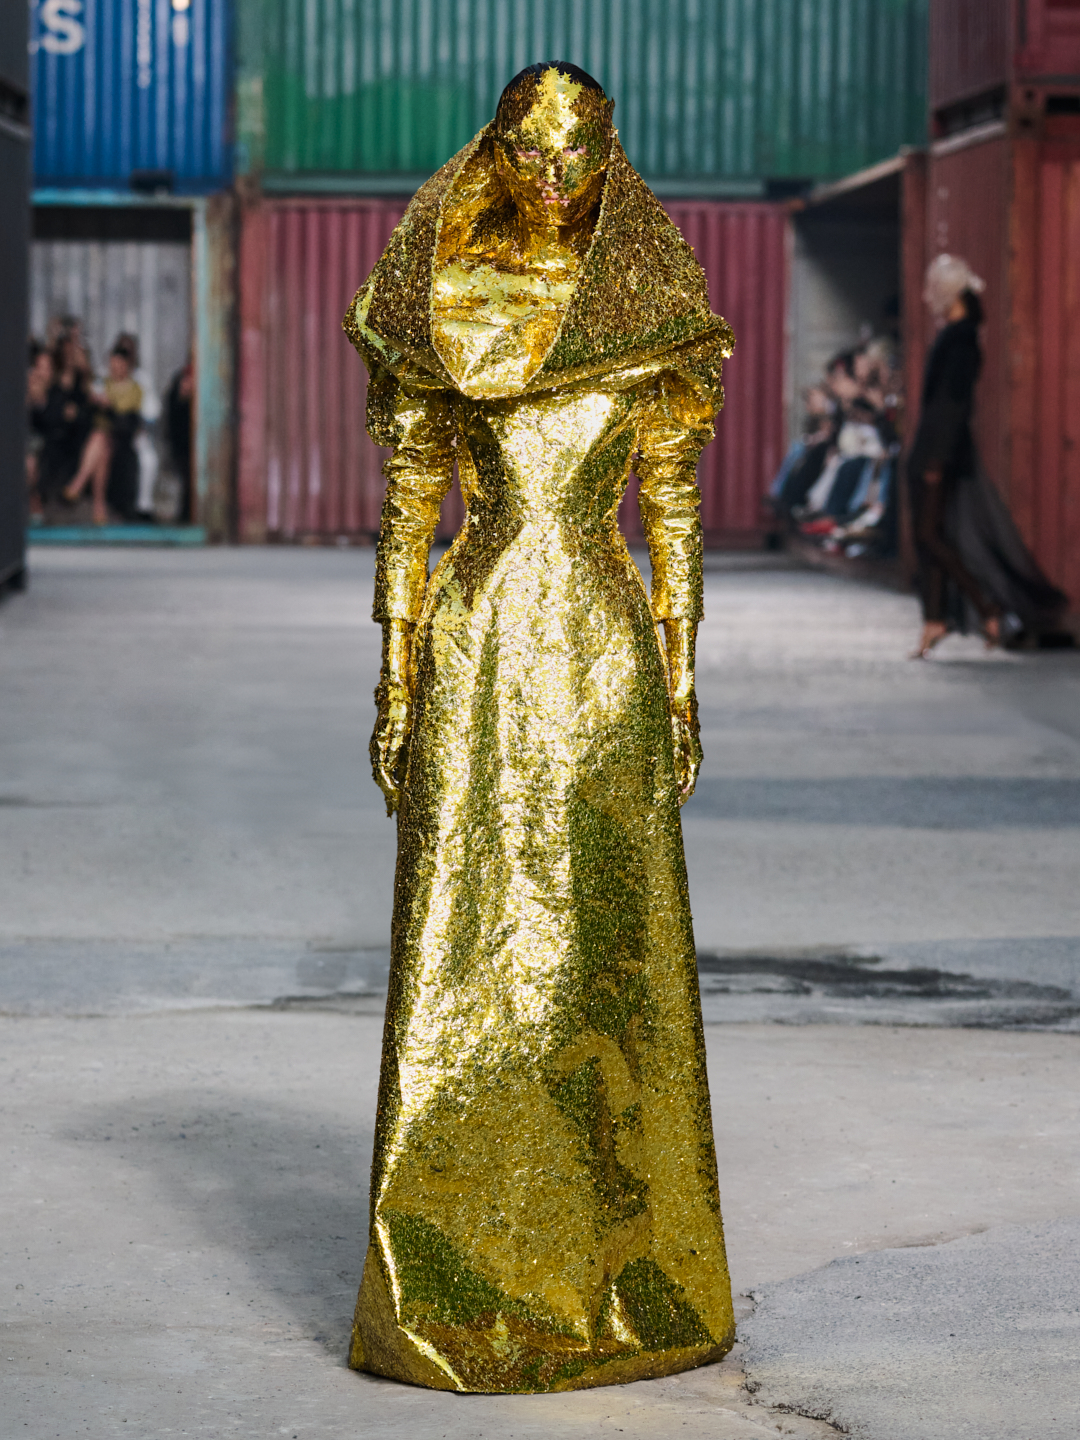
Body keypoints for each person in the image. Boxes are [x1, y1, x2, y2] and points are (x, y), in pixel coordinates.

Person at [344, 61, 735, 1393]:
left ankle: (632, 1277)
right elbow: (412, 501)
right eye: (532, 150)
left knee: (607, 962)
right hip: (479, 646)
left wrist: (680, 680)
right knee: (468, 953)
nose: (557, 177)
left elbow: (672, 505)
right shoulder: (442, 299)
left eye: (579, 155)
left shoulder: (650, 305)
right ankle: (451, 1279)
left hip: (609, 659)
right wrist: (395, 685)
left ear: (609, 156)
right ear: (498, 148)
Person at [909, 256, 1066, 657]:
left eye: (934, 289)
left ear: (950, 293)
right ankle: (935, 619)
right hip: (934, 447)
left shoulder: (961, 340)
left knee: (930, 535)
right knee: (931, 535)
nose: (928, 297)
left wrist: (936, 458)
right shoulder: (958, 335)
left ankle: (986, 608)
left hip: (938, 450)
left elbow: (952, 404)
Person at [65, 335, 143, 523]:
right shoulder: (102, 383)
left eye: (119, 364)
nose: (115, 367)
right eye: (112, 363)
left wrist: (108, 406)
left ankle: (78, 483)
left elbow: (125, 416)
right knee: (102, 447)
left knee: (101, 439)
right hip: (100, 438)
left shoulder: (134, 389)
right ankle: (98, 507)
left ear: (126, 365)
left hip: (120, 437)